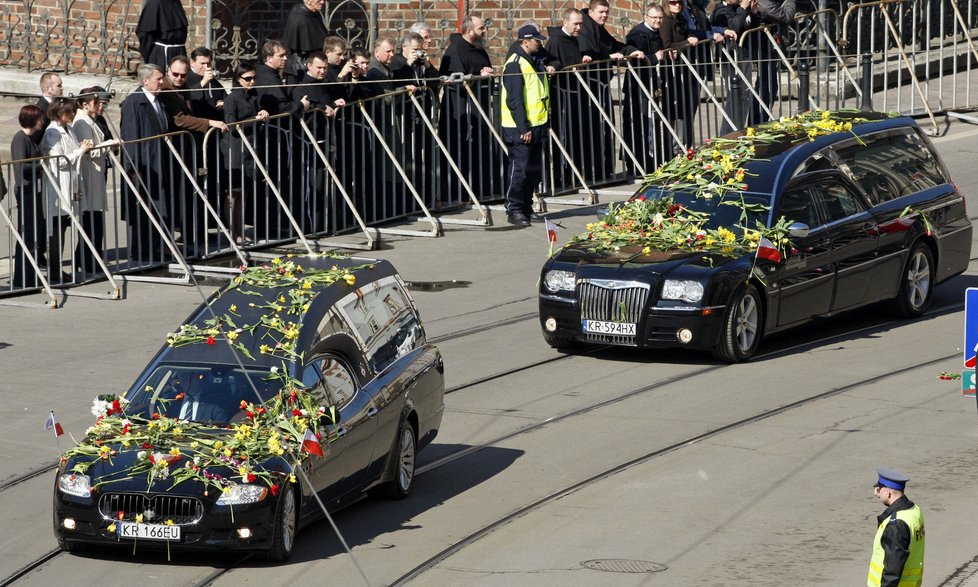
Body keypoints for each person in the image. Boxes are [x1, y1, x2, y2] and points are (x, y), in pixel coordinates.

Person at [120, 63, 170, 262]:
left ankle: (155, 248)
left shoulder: (159, 101)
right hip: (143, 166)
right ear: (145, 81)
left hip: (158, 162)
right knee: (142, 210)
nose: (162, 82)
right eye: (158, 79)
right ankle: (140, 252)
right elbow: (131, 137)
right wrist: (134, 169)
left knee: (158, 207)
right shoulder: (134, 103)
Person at [501, 25, 550, 227]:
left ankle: (527, 207)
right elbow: (514, 100)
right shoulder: (515, 64)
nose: (539, 43)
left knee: (533, 171)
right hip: (520, 128)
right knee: (519, 171)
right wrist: (524, 128)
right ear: (524, 41)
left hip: (537, 124)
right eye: (536, 40)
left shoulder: (534, 60)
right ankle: (514, 209)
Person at [40, 98, 95, 283]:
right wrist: (80, 151)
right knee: (56, 230)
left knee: (62, 227)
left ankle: (57, 268)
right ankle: (55, 269)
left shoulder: (68, 128)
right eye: (69, 112)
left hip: (69, 184)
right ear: (59, 113)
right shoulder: (52, 133)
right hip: (58, 187)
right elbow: (59, 160)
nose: (72, 114)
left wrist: (81, 148)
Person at [72, 89, 120, 276]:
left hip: (96, 175)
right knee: (91, 221)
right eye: (97, 103)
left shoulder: (92, 119)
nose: (101, 106)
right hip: (88, 176)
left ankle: (89, 259)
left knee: (96, 221)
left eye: (103, 103)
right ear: (85, 104)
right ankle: (88, 261)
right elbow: (90, 150)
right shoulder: (82, 121)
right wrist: (110, 144)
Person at [223, 62, 270, 245]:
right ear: (238, 79)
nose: (251, 82)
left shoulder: (253, 96)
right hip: (235, 148)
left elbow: (257, 116)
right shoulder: (232, 98)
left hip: (251, 147)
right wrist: (254, 119)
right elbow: (232, 125)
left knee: (245, 192)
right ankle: (232, 231)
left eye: (253, 78)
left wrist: (262, 114)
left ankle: (240, 229)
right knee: (234, 192)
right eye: (247, 79)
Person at [624, 5, 674, 172]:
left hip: (653, 86)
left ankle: (654, 160)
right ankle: (639, 163)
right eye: (654, 17)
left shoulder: (655, 32)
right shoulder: (638, 34)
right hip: (639, 87)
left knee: (653, 125)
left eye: (660, 18)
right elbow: (635, 56)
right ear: (646, 17)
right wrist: (654, 58)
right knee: (640, 125)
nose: (658, 20)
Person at [9, 105, 47, 288]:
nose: (42, 121)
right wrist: (42, 166)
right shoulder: (20, 139)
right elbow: (21, 166)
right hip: (26, 191)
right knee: (27, 234)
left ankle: (31, 274)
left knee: (35, 234)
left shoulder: (31, 139)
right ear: (31, 119)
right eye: (39, 118)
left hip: (35, 189)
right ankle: (22, 277)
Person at [869, 467, 925, 587]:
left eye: (879, 489)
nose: (876, 493)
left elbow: (892, 570)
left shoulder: (896, 524)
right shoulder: (914, 511)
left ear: (888, 492)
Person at [743, 0, 796, 124]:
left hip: (769, 46)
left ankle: (759, 123)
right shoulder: (764, 2)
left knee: (769, 87)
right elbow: (786, 16)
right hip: (764, 47)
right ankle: (755, 125)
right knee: (765, 88)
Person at [712, 0, 751, 133]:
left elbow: (749, 26)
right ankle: (727, 133)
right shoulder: (721, 10)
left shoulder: (738, 8)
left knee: (745, 96)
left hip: (743, 57)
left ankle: (738, 129)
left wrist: (754, 11)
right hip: (730, 58)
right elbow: (735, 26)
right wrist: (742, 9)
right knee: (734, 96)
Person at [282, 0, 328, 84]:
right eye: (319, 0)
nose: (322, 2)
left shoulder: (315, 14)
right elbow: (293, 45)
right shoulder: (298, 18)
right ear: (308, 0)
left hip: (315, 67)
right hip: (298, 69)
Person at [135, 0, 188, 69]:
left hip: (167, 54)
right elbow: (146, 33)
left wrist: (145, 52)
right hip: (167, 53)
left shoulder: (160, 2)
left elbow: (145, 35)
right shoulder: (159, 2)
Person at [186, 47, 227, 120]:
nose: (206, 67)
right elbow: (188, 96)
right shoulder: (186, 78)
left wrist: (222, 102)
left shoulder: (212, 80)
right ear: (192, 62)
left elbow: (223, 95)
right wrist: (203, 82)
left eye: (208, 63)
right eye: (202, 63)